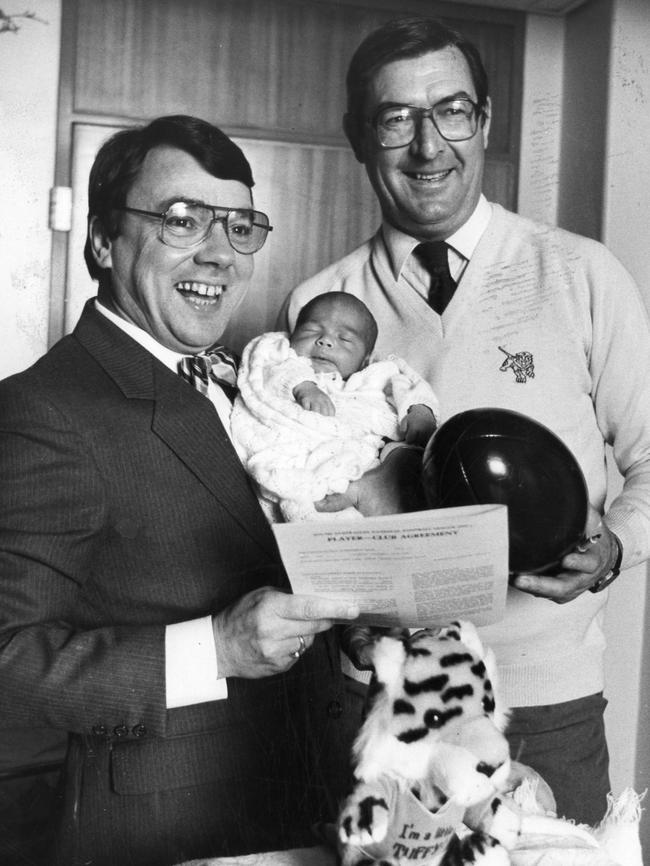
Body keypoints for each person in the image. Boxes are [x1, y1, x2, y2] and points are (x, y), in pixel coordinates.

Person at [278, 17, 650, 826]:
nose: (428, 146)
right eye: (396, 119)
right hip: (385, 710)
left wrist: (615, 548)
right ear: (358, 138)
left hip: (545, 709)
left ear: (484, 120)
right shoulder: (317, 309)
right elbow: (285, 490)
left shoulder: (582, 274)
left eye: (451, 111)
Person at [0, 114, 361, 866]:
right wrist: (218, 650)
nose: (219, 255)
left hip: (308, 805)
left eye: (239, 227)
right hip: (166, 835)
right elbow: (8, 663)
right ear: (102, 240)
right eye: (181, 221)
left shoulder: (255, 379)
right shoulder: (45, 409)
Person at [230, 291, 438, 521]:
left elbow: (410, 385)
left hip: (362, 468)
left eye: (345, 339)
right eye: (311, 331)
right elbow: (269, 368)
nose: (325, 341)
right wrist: (304, 386)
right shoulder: (281, 354)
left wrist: (420, 411)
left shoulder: (374, 376)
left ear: (366, 359)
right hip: (299, 457)